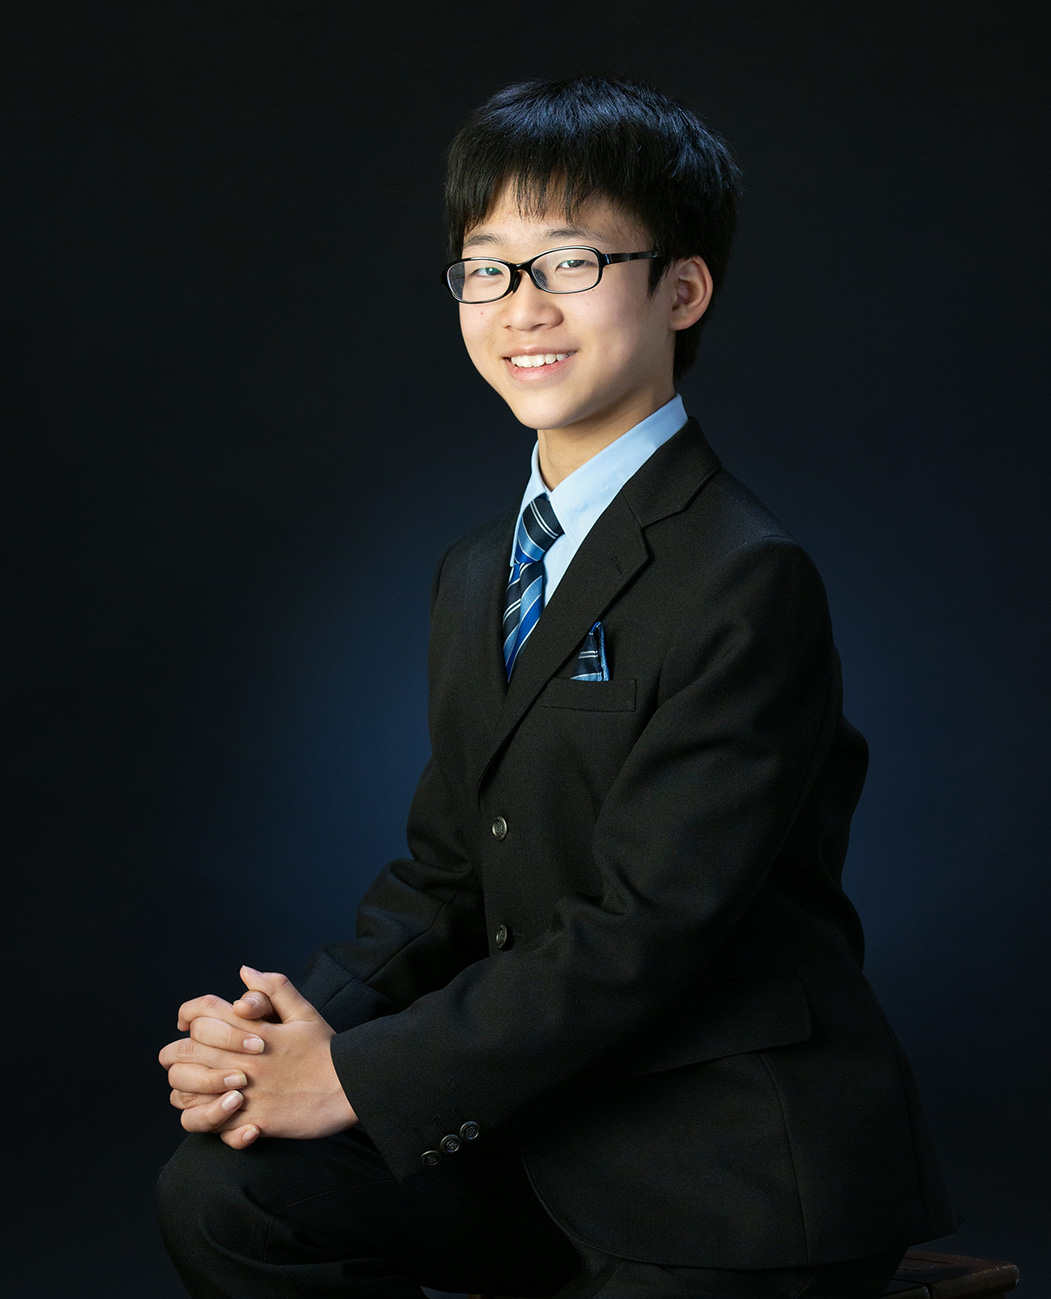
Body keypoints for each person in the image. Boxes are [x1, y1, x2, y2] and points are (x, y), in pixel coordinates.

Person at [157, 76, 956, 1298]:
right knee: (226, 1193)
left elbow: (647, 928)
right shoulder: (478, 568)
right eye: (487, 269)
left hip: (727, 1169)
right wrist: (272, 1040)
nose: (520, 306)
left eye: (570, 262)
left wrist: (354, 1078)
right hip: (533, 1132)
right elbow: (447, 873)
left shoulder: (746, 575)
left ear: (681, 290)